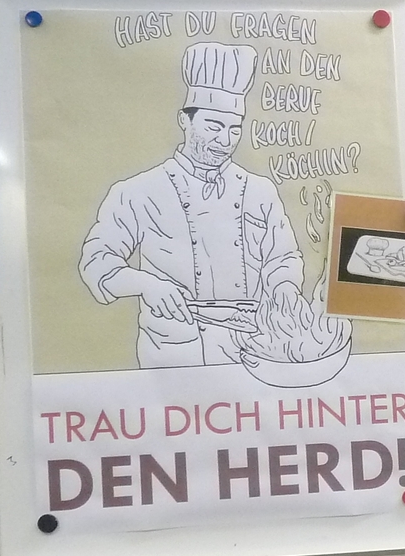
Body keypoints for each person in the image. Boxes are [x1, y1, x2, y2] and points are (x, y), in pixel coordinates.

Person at [79, 40, 306, 367]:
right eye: (213, 127)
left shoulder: (260, 191)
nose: (224, 141)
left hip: (253, 352)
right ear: (185, 121)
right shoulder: (138, 192)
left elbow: (282, 257)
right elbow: (96, 262)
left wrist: (285, 287)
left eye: (234, 130)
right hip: (174, 354)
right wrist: (148, 284)